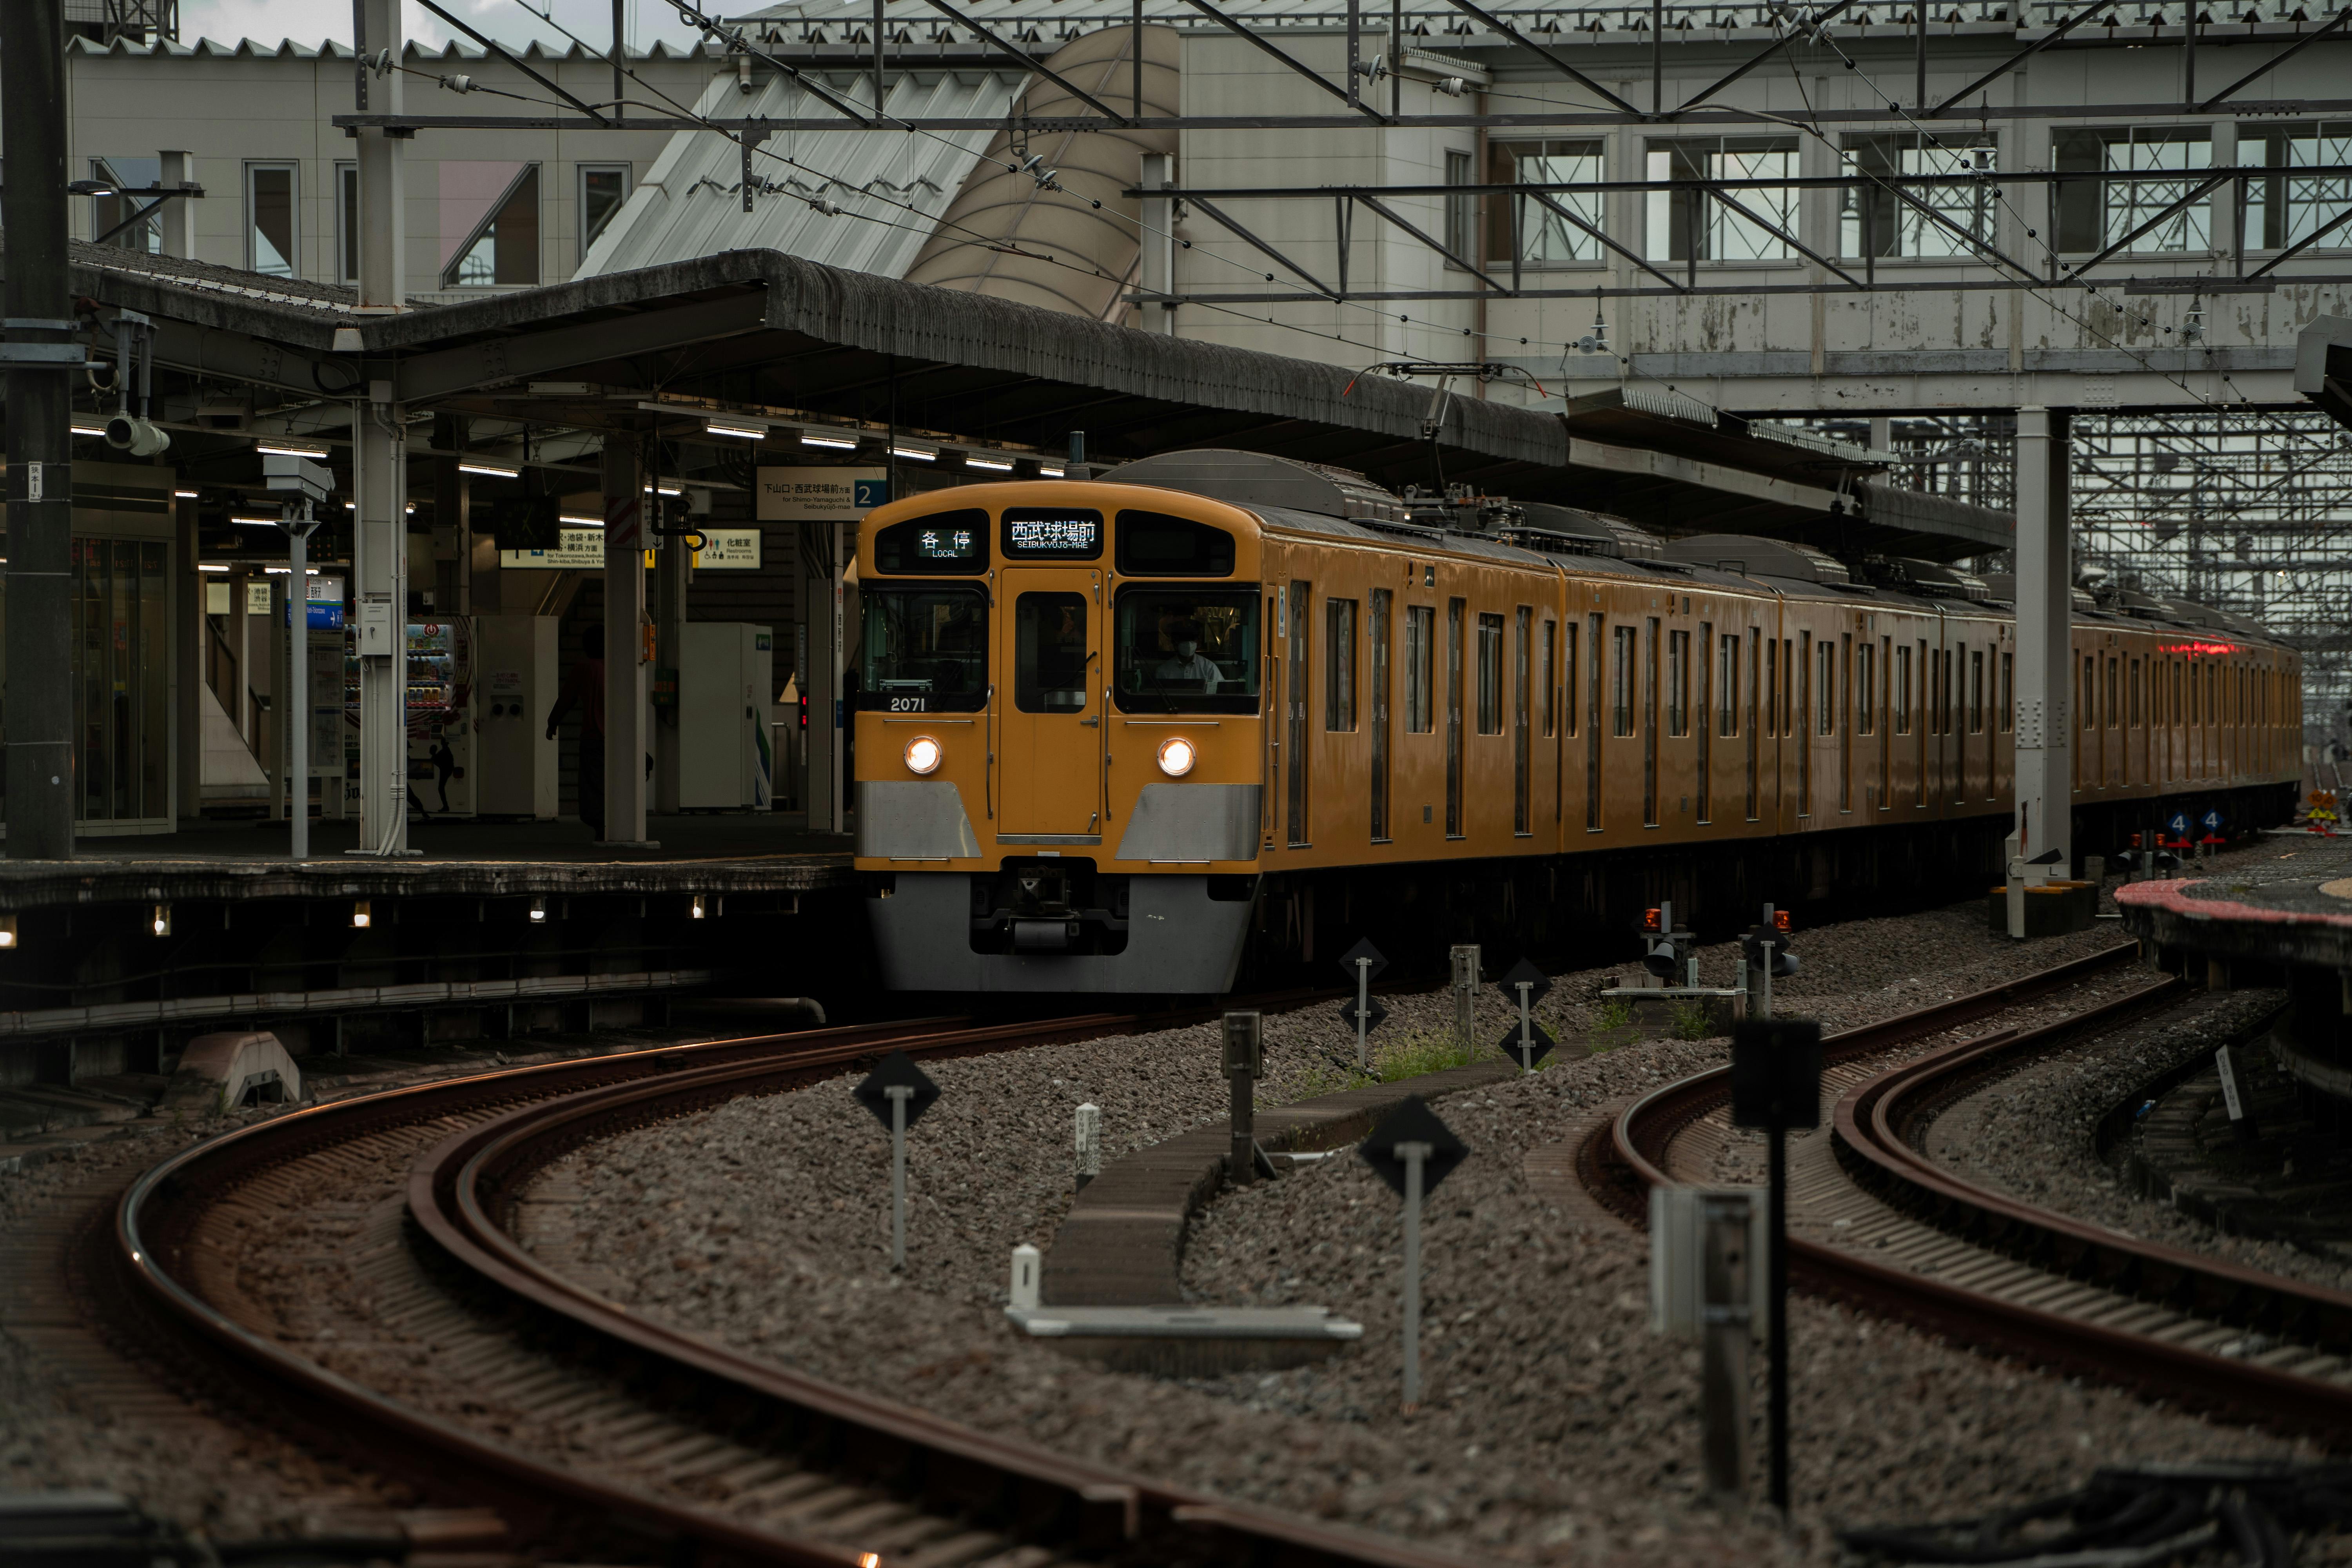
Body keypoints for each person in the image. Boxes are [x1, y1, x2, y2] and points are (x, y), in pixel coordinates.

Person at [545, 624, 607, 840]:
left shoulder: (585, 668)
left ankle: (602, 827)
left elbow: (567, 699)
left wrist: (553, 723)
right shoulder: (617, 668)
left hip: (593, 738)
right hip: (619, 740)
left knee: (593, 785)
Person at [1152, 620, 1221, 692]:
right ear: (1175, 642)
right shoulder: (1163, 671)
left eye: (1192, 640)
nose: (1189, 644)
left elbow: (1220, 693)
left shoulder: (1209, 668)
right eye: (1184, 640)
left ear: (1198, 642)